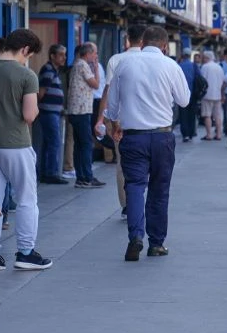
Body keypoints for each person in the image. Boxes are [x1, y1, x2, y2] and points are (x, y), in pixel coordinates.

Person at [106, 26, 191, 261]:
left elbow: (112, 107)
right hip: (162, 136)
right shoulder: (171, 66)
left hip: (133, 137)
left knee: (133, 186)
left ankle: (135, 236)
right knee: (159, 190)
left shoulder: (124, 64)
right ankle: (157, 243)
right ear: (164, 45)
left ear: (142, 42)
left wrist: (113, 126)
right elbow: (184, 101)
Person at [0, 28, 52, 272]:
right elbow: (29, 115)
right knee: (27, 199)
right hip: (16, 145)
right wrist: (36, 109)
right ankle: (26, 252)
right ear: (25, 49)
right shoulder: (26, 75)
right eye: (28, 55)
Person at [99, 24, 146, 217]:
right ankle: (140, 200)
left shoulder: (116, 59)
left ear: (127, 39)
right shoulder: (153, 60)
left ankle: (127, 204)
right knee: (145, 162)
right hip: (145, 120)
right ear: (144, 40)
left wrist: (101, 118)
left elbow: (108, 91)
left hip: (119, 119)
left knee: (122, 163)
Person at [67, 42, 105, 188]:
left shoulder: (77, 64)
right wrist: (95, 68)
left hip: (76, 110)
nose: (96, 56)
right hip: (81, 110)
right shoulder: (82, 65)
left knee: (79, 144)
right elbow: (95, 84)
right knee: (86, 144)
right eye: (94, 53)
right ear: (88, 53)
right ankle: (87, 177)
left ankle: (81, 177)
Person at [36, 44, 69, 185]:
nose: (64, 58)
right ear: (52, 56)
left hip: (53, 112)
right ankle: (51, 173)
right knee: (54, 142)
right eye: (61, 55)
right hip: (48, 112)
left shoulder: (54, 71)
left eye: (64, 55)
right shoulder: (48, 70)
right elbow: (41, 92)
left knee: (49, 142)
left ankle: (46, 172)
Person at [199, 51, 226, 141]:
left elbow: (202, 81)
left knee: (207, 115)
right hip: (217, 95)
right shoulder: (219, 67)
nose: (203, 59)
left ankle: (209, 135)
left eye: (203, 57)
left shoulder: (205, 67)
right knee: (217, 116)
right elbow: (223, 81)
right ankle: (218, 135)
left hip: (207, 95)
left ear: (206, 58)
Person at [177, 51, 200, 142]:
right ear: (190, 55)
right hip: (193, 94)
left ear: (183, 55)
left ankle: (185, 134)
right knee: (192, 114)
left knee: (183, 115)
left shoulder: (179, 65)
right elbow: (199, 77)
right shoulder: (194, 65)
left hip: (181, 93)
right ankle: (191, 133)